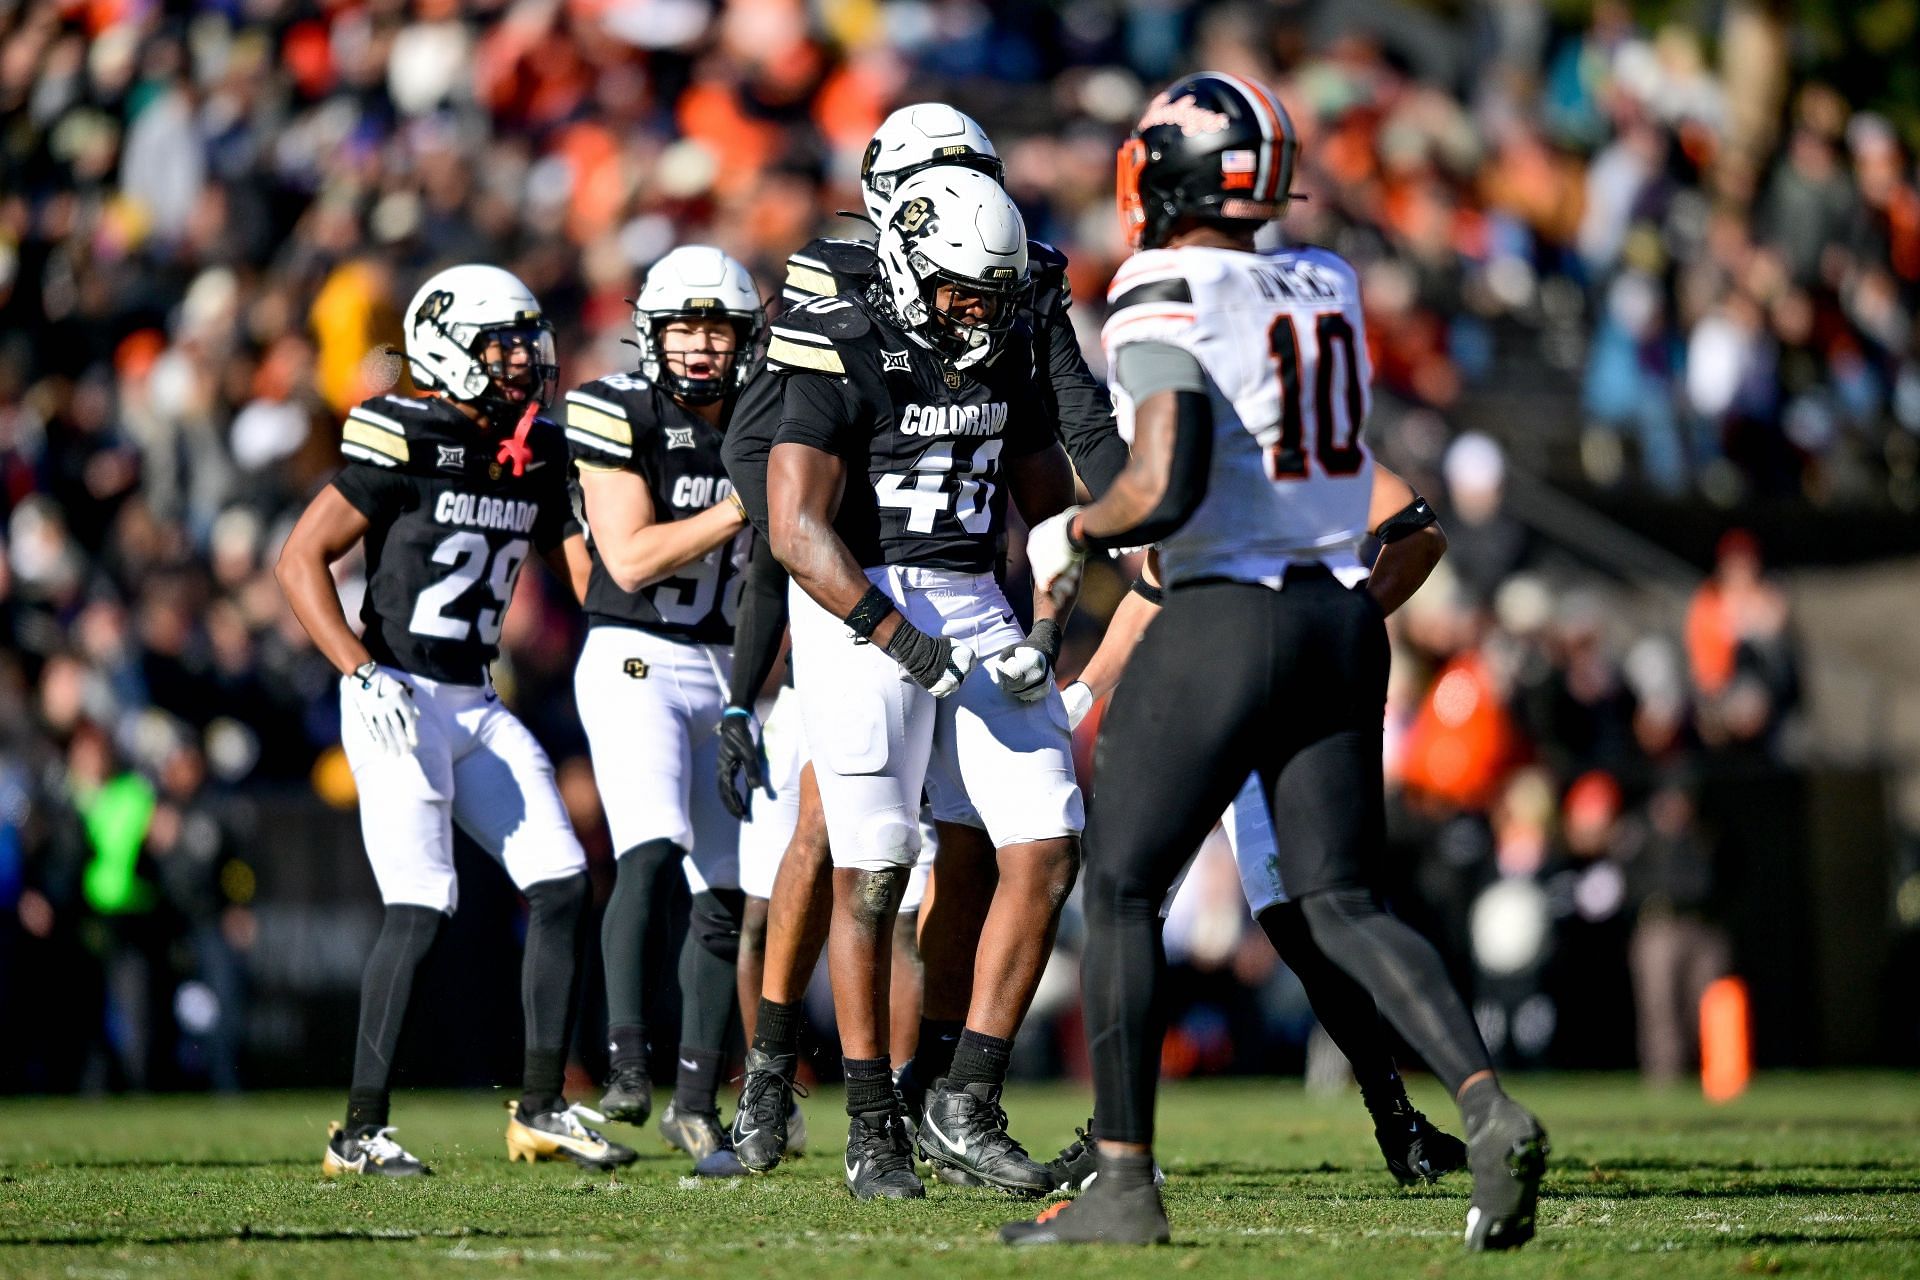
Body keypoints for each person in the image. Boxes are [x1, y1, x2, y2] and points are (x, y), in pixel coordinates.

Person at [1003, 73, 1545, 1248]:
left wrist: (1080, 530)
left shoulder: (1161, 282)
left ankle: (1125, 1182)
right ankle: (1486, 1105)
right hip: (1339, 619)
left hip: (1230, 610)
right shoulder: (1329, 279)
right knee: (1344, 898)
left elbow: (1167, 479)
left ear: (1172, 176)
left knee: (1126, 883)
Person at [720, 103, 1126, 1184]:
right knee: (864, 851)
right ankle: (824, 1100)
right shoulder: (829, 309)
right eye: (959, 292)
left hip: (969, 587)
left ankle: (960, 1094)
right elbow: (782, 509)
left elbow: (1050, 489)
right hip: (853, 577)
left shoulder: (1013, 296)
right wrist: (880, 631)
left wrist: (1049, 620)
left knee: (1039, 835)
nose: (978, 314)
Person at [277, 264, 632, 1175]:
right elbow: (300, 558)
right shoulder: (407, 433)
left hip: (476, 698)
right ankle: (358, 1132)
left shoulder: (540, 449)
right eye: (502, 344)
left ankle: (544, 1105)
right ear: (447, 347)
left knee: (559, 882)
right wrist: (355, 671)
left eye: (526, 341)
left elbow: (591, 581)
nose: (523, 360)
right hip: (395, 692)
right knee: (424, 901)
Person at [1041, 545, 1467, 1194]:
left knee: (1306, 919)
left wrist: (1356, 611)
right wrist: (1081, 692)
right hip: (1223, 693)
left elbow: (1419, 530)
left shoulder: (1235, 473)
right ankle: (1119, 1136)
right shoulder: (1232, 477)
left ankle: (1408, 1115)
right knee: (1138, 909)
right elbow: (1154, 588)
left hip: (1242, 699)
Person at [562, 246, 762, 1176]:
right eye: (683, 325)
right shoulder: (616, 408)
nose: (698, 346)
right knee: (649, 850)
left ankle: (695, 1102)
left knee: (726, 889)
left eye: (717, 326)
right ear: (652, 331)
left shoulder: (770, 415)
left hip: (728, 666)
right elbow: (630, 559)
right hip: (636, 650)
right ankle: (626, 1066)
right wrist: (742, 506)